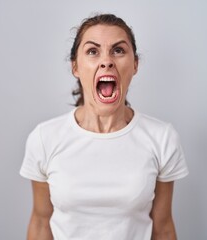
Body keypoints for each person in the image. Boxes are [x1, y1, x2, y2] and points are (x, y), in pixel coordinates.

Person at [20, 13, 188, 240]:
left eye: (118, 50)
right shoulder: (44, 138)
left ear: (135, 64)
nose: (106, 60)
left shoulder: (162, 138)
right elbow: (41, 222)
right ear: (75, 67)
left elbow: (163, 226)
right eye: (92, 51)